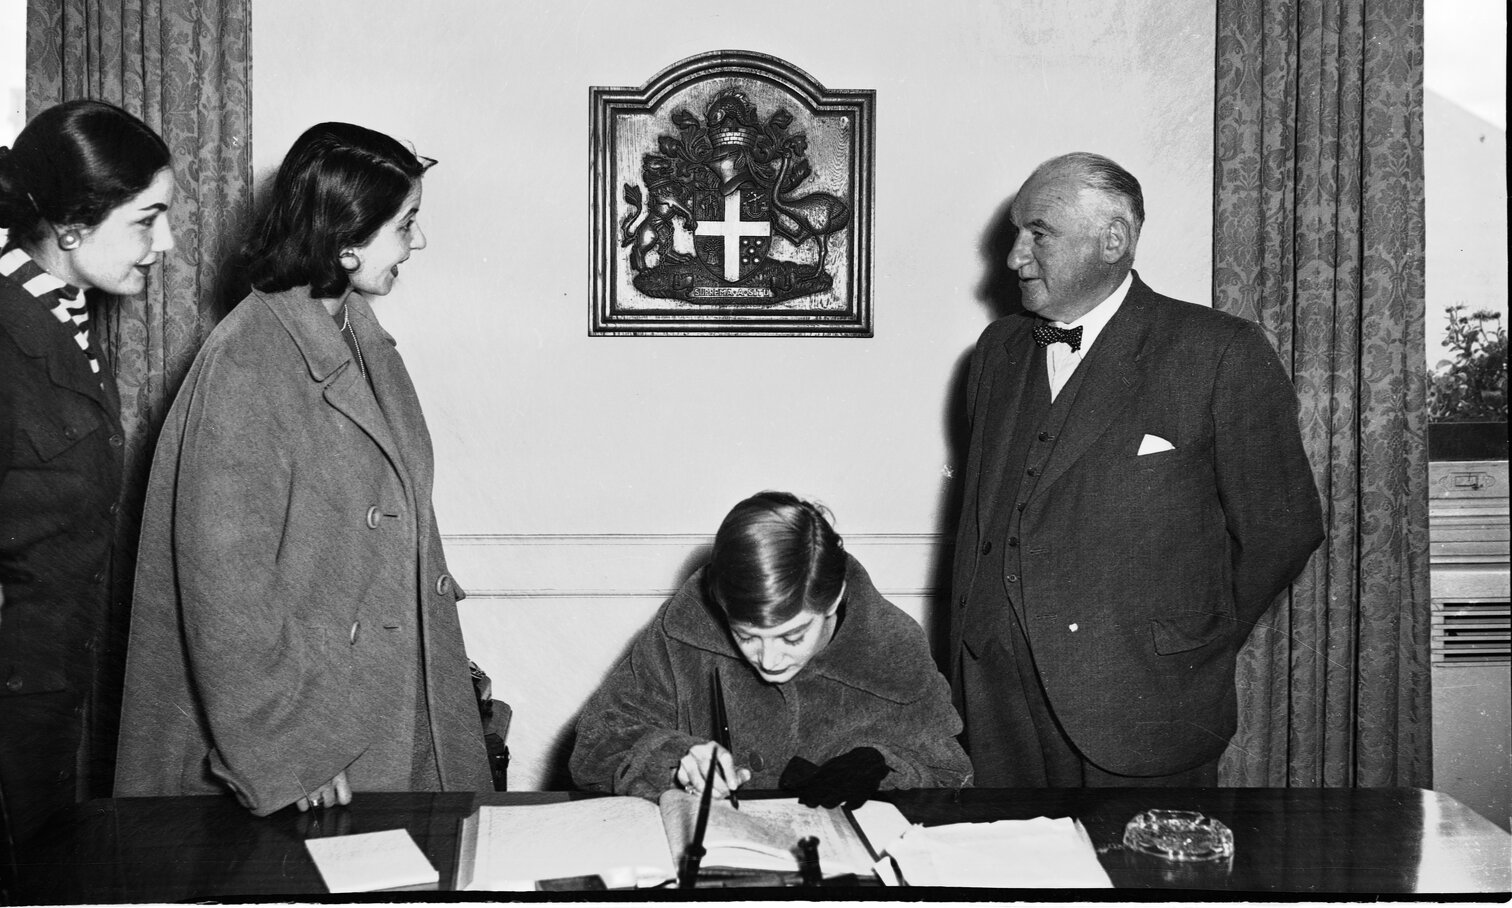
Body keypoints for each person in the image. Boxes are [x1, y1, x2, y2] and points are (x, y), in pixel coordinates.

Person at [114, 122, 492, 815]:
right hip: (299, 747)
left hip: (367, 709)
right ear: (346, 242)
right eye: (406, 224)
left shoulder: (357, 334)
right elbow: (225, 591)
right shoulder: (246, 362)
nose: (420, 242)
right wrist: (287, 754)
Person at [950, 152, 1324, 787]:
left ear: (1113, 240)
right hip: (995, 705)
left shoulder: (1220, 353)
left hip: (1140, 710)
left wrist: (1188, 646)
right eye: (1017, 233)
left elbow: (1283, 531)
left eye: (1038, 232)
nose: (1015, 256)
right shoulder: (997, 352)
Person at [0, 101, 176, 876]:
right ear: (72, 227)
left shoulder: (59, 318)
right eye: (148, 220)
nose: (164, 243)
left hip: (46, 707)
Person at [571, 491, 972, 804]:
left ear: (832, 601)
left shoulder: (894, 650)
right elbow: (595, 748)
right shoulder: (682, 633)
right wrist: (675, 760)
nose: (768, 659)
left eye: (792, 637)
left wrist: (885, 768)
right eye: (745, 636)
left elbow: (952, 775)